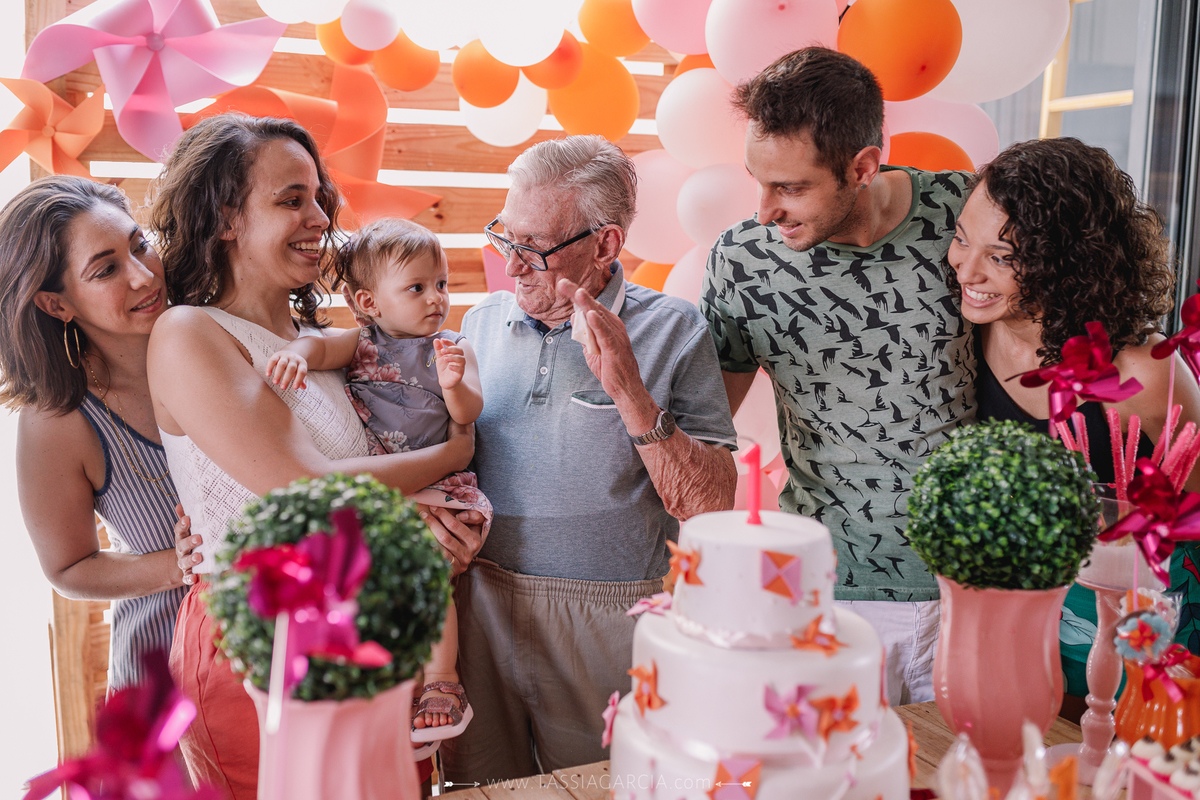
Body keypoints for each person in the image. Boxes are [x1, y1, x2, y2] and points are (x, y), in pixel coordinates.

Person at [146, 114, 485, 799]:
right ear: (225, 218)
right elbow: (305, 488)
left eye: (318, 198)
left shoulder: (320, 342)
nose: (320, 218)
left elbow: (376, 467)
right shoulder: (189, 333)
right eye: (291, 199)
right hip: (257, 640)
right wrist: (456, 451)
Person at [442, 135, 738, 783]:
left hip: (610, 618)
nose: (511, 265)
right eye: (505, 236)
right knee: (480, 787)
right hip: (480, 605)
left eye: (533, 247)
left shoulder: (675, 329)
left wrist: (629, 390)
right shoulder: (478, 323)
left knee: (611, 785)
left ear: (605, 245)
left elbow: (713, 504)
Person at [699, 47, 976, 705]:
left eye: (791, 188)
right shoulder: (741, 261)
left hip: (971, 585)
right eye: (757, 181)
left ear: (862, 167)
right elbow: (706, 428)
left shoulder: (966, 216)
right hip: (824, 591)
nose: (765, 210)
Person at [947, 136, 1200, 656]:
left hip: (1132, 626)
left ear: (1069, 262)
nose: (967, 271)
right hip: (1012, 621)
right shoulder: (959, 334)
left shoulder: (1145, 370)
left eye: (1001, 256)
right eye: (961, 239)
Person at [265, 217, 486, 734]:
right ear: (369, 303)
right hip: (386, 491)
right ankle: (389, 684)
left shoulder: (452, 347)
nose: (436, 298)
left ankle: (442, 678)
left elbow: (469, 413)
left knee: (426, 574)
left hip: (439, 491)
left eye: (441, 284)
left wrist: (454, 384)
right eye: (417, 287)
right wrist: (296, 353)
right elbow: (319, 348)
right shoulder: (362, 343)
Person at [0, 176, 190, 692]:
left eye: (140, 245)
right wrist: (180, 565)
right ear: (56, 305)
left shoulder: (211, 334)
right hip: (164, 681)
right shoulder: (58, 420)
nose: (144, 276)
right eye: (106, 270)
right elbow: (68, 569)